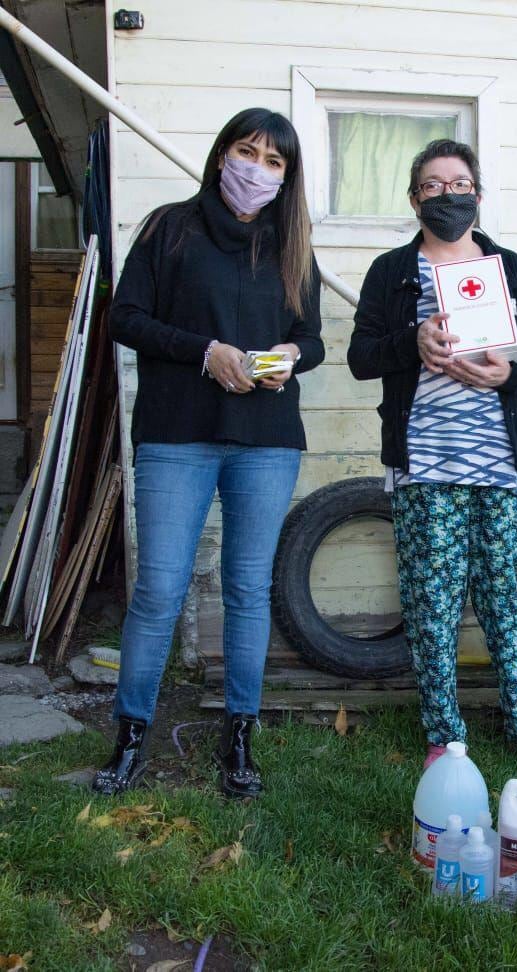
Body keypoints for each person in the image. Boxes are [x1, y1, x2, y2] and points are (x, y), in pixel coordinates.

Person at [95, 108, 325, 798]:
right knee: (160, 591)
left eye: (274, 161)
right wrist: (205, 353)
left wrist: (291, 354)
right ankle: (130, 733)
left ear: (287, 177)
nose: (257, 168)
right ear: (222, 154)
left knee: (248, 590)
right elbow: (124, 317)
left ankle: (239, 736)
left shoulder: (292, 245)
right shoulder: (170, 227)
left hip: (266, 440)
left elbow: (310, 338)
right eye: (247, 151)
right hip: (177, 434)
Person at [347, 138, 517, 782]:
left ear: (478, 191)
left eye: (459, 182)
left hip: (497, 463)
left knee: (507, 600)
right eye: (434, 185)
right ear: (414, 198)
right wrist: (411, 341)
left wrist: (512, 369)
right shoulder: (393, 272)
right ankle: (445, 735)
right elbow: (363, 358)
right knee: (432, 602)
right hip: (426, 463)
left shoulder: (509, 268)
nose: (448, 194)